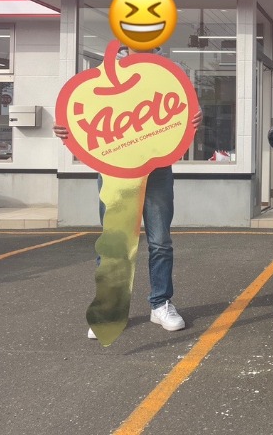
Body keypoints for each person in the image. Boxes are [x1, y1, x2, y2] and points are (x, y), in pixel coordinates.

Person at [53, 44, 202, 338]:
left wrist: (196, 116)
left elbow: (185, 110)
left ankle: (160, 304)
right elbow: (82, 112)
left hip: (157, 168)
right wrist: (65, 128)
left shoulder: (167, 73)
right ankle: (109, 311)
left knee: (160, 241)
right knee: (116, 243)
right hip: (116, 172)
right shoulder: (101, 74)